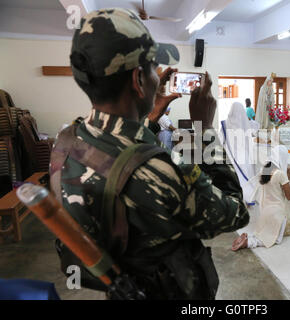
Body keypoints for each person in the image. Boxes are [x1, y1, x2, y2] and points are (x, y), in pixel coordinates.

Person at [50, 8, 249, 300]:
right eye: (152, 69)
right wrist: (204, 130)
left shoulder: (67, 141)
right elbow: (235, 214)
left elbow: (116, 149)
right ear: (137, 81)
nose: (158, 78)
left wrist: (150, 117)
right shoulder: (161, 171)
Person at [231, 145, 290, 251]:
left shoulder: (263, 170)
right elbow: (289, 196)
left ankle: (249, 238)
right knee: (274, 240)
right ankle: (248, 242)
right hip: (277, 213)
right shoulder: (280, 174)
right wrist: (287, 178)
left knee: (262, 233)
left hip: (264, 211)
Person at [220, 102, 256, 204]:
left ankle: (234, 198)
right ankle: (247, 197)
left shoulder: (225, 124)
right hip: (243, 156)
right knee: (245, 178)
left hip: (229, 155)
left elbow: (220, 139)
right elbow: (251, 137)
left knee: (233, 178)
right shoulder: (244, 124)